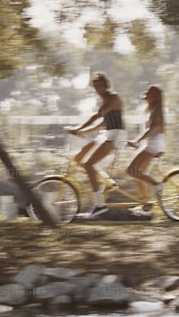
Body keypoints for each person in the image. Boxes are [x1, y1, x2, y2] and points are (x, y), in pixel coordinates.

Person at [66, 72, 124, 217]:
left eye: (100, 85)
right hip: (106, 134)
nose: (98, 88)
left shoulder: (113, 98)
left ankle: (100, 205)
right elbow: (103, 123)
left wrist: (78, 128)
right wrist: (83, 132)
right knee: (79, 158)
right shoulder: (103, 100)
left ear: (106, 85)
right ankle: (108, 181)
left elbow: (97, 116)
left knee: (88, 164)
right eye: (95, 86)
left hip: (116, 136)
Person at [125, 84, 164, 215]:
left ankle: (157, 185)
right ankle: (146, 205)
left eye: (148, 95)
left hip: (151, 146)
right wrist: (138, 143)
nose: (146, 98)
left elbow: (150, 130)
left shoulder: (156, 112)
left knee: (131, 170)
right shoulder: (153, 110)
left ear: (153, 97)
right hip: (149, 145)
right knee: (138, 175)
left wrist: (136, 140)